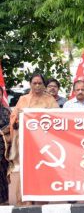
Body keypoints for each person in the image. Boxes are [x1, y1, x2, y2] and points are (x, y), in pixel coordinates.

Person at [9, 73, 59, 205]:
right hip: (27, 142)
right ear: (30, 84)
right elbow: (13, 121)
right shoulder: (23, 99)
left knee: (43, 170)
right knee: (26, 170)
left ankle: (42, 198)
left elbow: (58, 118)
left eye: (40, 83)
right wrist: (19, 117)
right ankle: (25, 200)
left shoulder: (50, 100)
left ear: (44, 85)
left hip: (45, 143)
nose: (37, 86)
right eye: (34, 83)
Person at [0, 87, 10, 204]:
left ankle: (4, 201)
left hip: (3, 148)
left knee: (3, 175)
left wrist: (1, 132)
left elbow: (10, 126)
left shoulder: (6, 111)